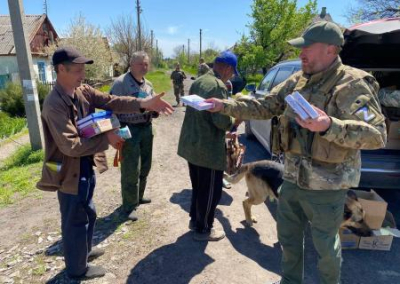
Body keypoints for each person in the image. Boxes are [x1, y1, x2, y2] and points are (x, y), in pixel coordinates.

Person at [206, 21, 386, 284]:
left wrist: (329, 126)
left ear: (331, 50)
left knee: (326, 249)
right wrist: (224, 105)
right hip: (290, 179)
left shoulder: (353, 84)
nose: (301, 54)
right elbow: (265, 105)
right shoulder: (298, 80)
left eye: (308, 48)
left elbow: (376, 134)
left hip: (328, 188)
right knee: (289, 242)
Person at [36, 47, 173, 280]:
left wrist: (144, 103)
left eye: (83, 70)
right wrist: (107, 138)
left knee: (89, 212)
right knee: (75, 220)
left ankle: (84, 252)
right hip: (68, 172)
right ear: (61, 69)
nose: (82, 75)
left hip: (85, 166)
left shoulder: (82, 91)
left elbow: (112, 100)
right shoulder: (54, 104)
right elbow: (70, 146)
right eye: (77, 70)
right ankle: (77, 269)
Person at [178, 50, 238, 242]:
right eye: (233, 72)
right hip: (208, 148)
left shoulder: (199, 80)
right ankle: (203, 229)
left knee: (198, 187)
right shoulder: (218, 86)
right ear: (227, 68)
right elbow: (220, 121)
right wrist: (233, 123)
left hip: (192, 144)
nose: (232, 76)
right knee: (211, 191)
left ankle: (195, 221)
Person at [110, 51, 157, 222]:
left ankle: (138, 197)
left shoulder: (149, 85)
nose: (144, 67)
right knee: (130, 169)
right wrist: (116, 130)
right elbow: (111, 109)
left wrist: (156, 109)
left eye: (146, 64)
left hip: (146, 128)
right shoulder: (120, 83)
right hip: (128, 129)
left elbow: (153, 104)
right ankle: (128, 207)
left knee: (145, 166)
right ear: (131, 64)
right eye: (140, 64)